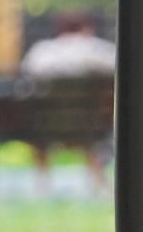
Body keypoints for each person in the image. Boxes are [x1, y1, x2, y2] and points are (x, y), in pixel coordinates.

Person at [19, 12, 119, 191]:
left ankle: (42, 186)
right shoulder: (95, 50)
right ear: (86, 28)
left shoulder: (43, 52)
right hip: (89, 124)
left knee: (41, 125)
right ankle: (100, 184)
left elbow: (28, 74)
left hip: (46, 126)